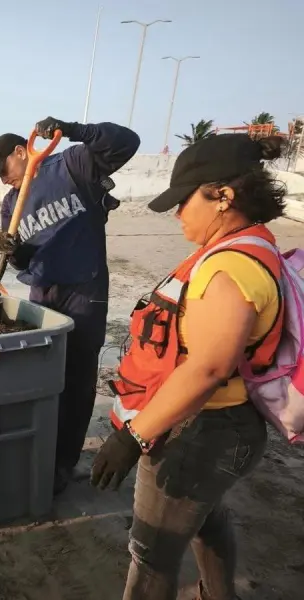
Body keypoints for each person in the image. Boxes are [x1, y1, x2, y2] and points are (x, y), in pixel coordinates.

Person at [91, 134, 287, 599]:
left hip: (205, 431)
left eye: (184, 200)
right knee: (204, 517)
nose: (178, 213)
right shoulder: (240, 248)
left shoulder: (231, 269)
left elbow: (208, 369)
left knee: (152, 552)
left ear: (223, 196)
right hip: (219, 425)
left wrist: (132, 436)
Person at [0, 117, 140, 494]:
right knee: (43, 375)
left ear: (22, 151)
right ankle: (40, 447)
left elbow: (127, 142)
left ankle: (63, 462)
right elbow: (23, 261)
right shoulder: (11, 204)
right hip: (43, 292)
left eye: (2, 169)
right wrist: (15, 250)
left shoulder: (72, 165)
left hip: (85, 287)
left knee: (77, 379)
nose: (2, 179)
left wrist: (75, 129)